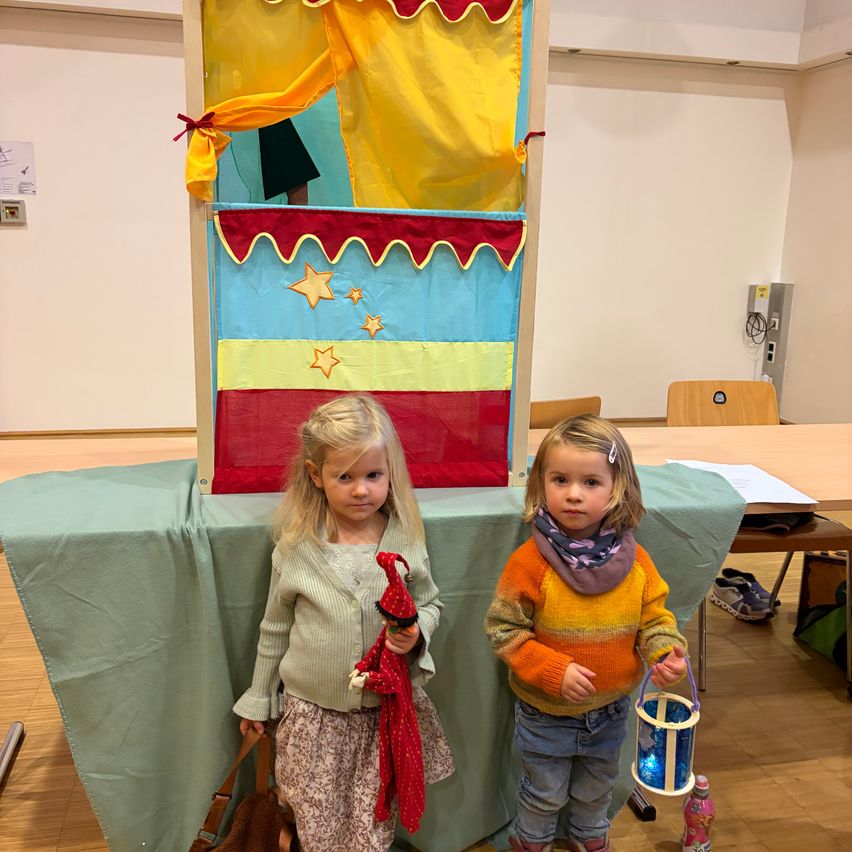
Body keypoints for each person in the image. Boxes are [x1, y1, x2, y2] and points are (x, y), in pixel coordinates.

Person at [234, 393, 454, 852]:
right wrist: (258, 697)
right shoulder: (296, 549)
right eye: (345, 477)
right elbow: (274, 628)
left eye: (373, 475)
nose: (361, 490)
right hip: (315, 722)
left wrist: (416, 631)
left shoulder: (406, 540)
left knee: (372, 825)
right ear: (316, 476)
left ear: (390, 472)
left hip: (381, 721)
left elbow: (430, 604)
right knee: (314, 824)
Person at [484, 414, 687, 852]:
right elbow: (503, 629)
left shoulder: (635, 562)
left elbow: (654, 619)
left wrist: (664, 651)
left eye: (591, 482)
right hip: (544, 712)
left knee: (596, 788)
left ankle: (589, 839)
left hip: (611, 711)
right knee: (543, 792)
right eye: (560, 479)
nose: (573, 494)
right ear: (542, 484)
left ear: (619, 487)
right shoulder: (530, 562)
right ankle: (531, 842)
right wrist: (552, 670)